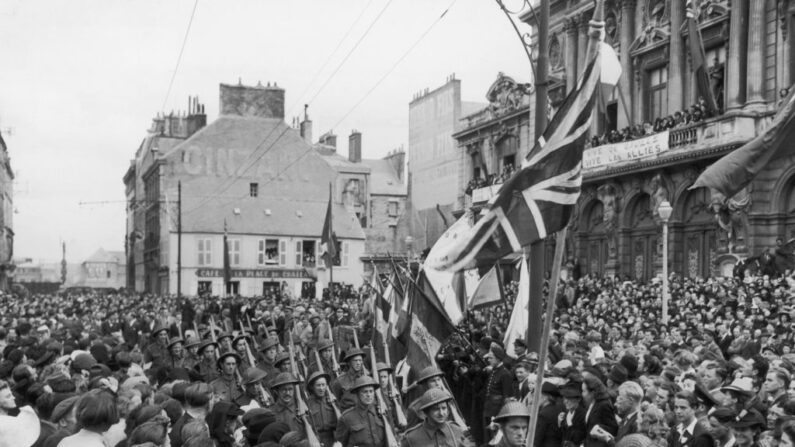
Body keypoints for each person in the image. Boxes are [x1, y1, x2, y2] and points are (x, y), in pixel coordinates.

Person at [401, 388, 471, 447]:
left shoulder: (456, 430)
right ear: (426, 412)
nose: (441, 413)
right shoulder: (411, 438)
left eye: (444, 408)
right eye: (435, 409)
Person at [335, 376, 386, 447]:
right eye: (365, 392)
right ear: (358, 394)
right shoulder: (347, 418)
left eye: (371, 391)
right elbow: (339, 444)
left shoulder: (381, 412)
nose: (368, 395)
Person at [582, 375, 618, 447]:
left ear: (592, 393)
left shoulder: (604, 405)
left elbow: (613, 428)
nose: (582, 394)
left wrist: (599, 427)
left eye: (584, 391)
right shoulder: (591, 403)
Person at [305, 370, 337, 447]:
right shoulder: (307, 404)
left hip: (333, 438)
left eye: (323, 385)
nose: (321, 388)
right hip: (315, 439)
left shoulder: (332, 401)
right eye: (318, 385)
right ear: (312, 387)